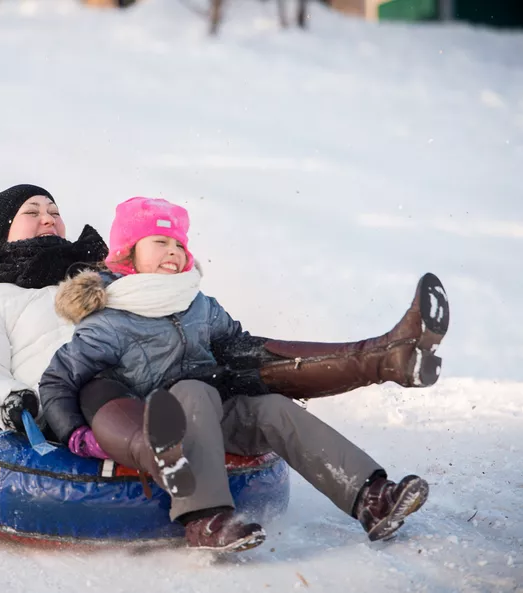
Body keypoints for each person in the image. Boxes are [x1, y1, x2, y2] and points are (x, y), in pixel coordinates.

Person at [39, 197, 448, 552]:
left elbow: (238, 346)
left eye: (179, 244)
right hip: (161, 428)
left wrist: (267, 370)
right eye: (160, 242)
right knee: (192, 390)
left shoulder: (199, 304)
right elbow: (59, 380)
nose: (173, 252)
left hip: (214, 411)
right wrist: (76, 434)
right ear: (127, 255)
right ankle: (205, 519)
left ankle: (371, 496)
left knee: (272, 409)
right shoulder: (109, 319)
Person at [0, 185, 109, 432]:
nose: (47, 220)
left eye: (54, 213)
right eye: (32, 213)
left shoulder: (98, 284)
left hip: (122, 401)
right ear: (1, 232)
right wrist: (8, 400)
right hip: (49, 422)